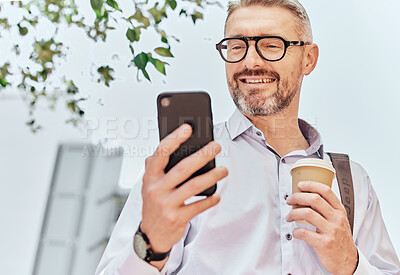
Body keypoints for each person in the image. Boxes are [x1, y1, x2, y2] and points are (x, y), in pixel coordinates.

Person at [96, 0, 400, 274]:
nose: (250, 62)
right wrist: (151, 244)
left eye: (271, 45)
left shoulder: (353, 182)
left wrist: (351, 263)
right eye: (237, 46)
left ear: (309, 58)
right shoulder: (184, 165)